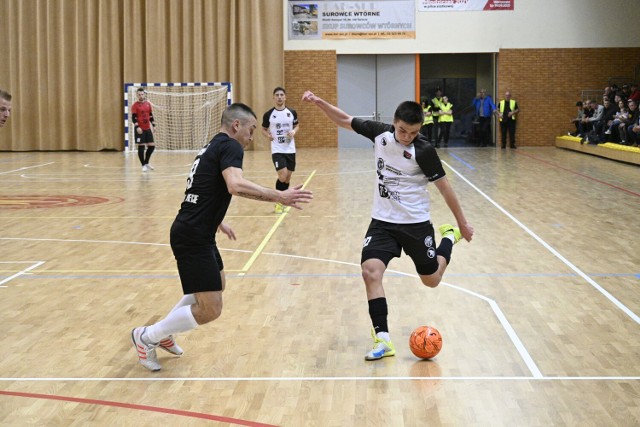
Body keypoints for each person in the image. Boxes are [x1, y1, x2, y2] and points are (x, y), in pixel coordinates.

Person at [130, 103, 313, 371]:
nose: (252, 138)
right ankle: (147, 337)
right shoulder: (231, 146)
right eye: (251, 131)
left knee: (216, 286)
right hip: (192, 235)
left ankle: (162, 333)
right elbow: (234, 185)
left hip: (198, 230)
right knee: (211, 309)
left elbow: (201, 188)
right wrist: (279, 195)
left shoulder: (211, 146)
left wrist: (217, 220)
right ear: (236, 126)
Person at [301, 90, 474, 361]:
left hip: (416, 224)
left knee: (432, 280)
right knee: (370, 272)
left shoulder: (424, 150)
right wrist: (319, 102)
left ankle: (448, 239)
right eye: (403, 130)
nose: (406, 137)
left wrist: (462, 224)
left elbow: (444, 187)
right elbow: (344, 120)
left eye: (413, 133)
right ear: (394, 122)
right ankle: (383, 339)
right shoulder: (380, 134)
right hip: (382, 222)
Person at [261, 87, 299, 214]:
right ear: (273, 97)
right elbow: (263, 129)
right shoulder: (269, 115)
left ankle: (284, 200)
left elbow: (297, 125)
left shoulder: (292, 112)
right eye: (277, 95)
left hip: (290, 149)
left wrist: (294, 131)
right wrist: (268, 136)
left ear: (285, 97)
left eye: (282, 95)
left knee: (287, 178)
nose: (279, 97)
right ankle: (278, 202)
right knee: (282, 176)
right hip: (277, 149)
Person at [131, 87, 157, 172]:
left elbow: (150, 115)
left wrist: (153, 125)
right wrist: (137, 127)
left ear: (144, 94)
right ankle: (143, 165)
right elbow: (133, 117)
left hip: (147, 128)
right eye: (139, 94)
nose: (141, 96)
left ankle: (146, 162)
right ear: (137, 95)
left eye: (142, 94)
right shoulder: (135, 105)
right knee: (141, 146)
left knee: (152, 146)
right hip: (140, 129)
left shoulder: (148, 104)